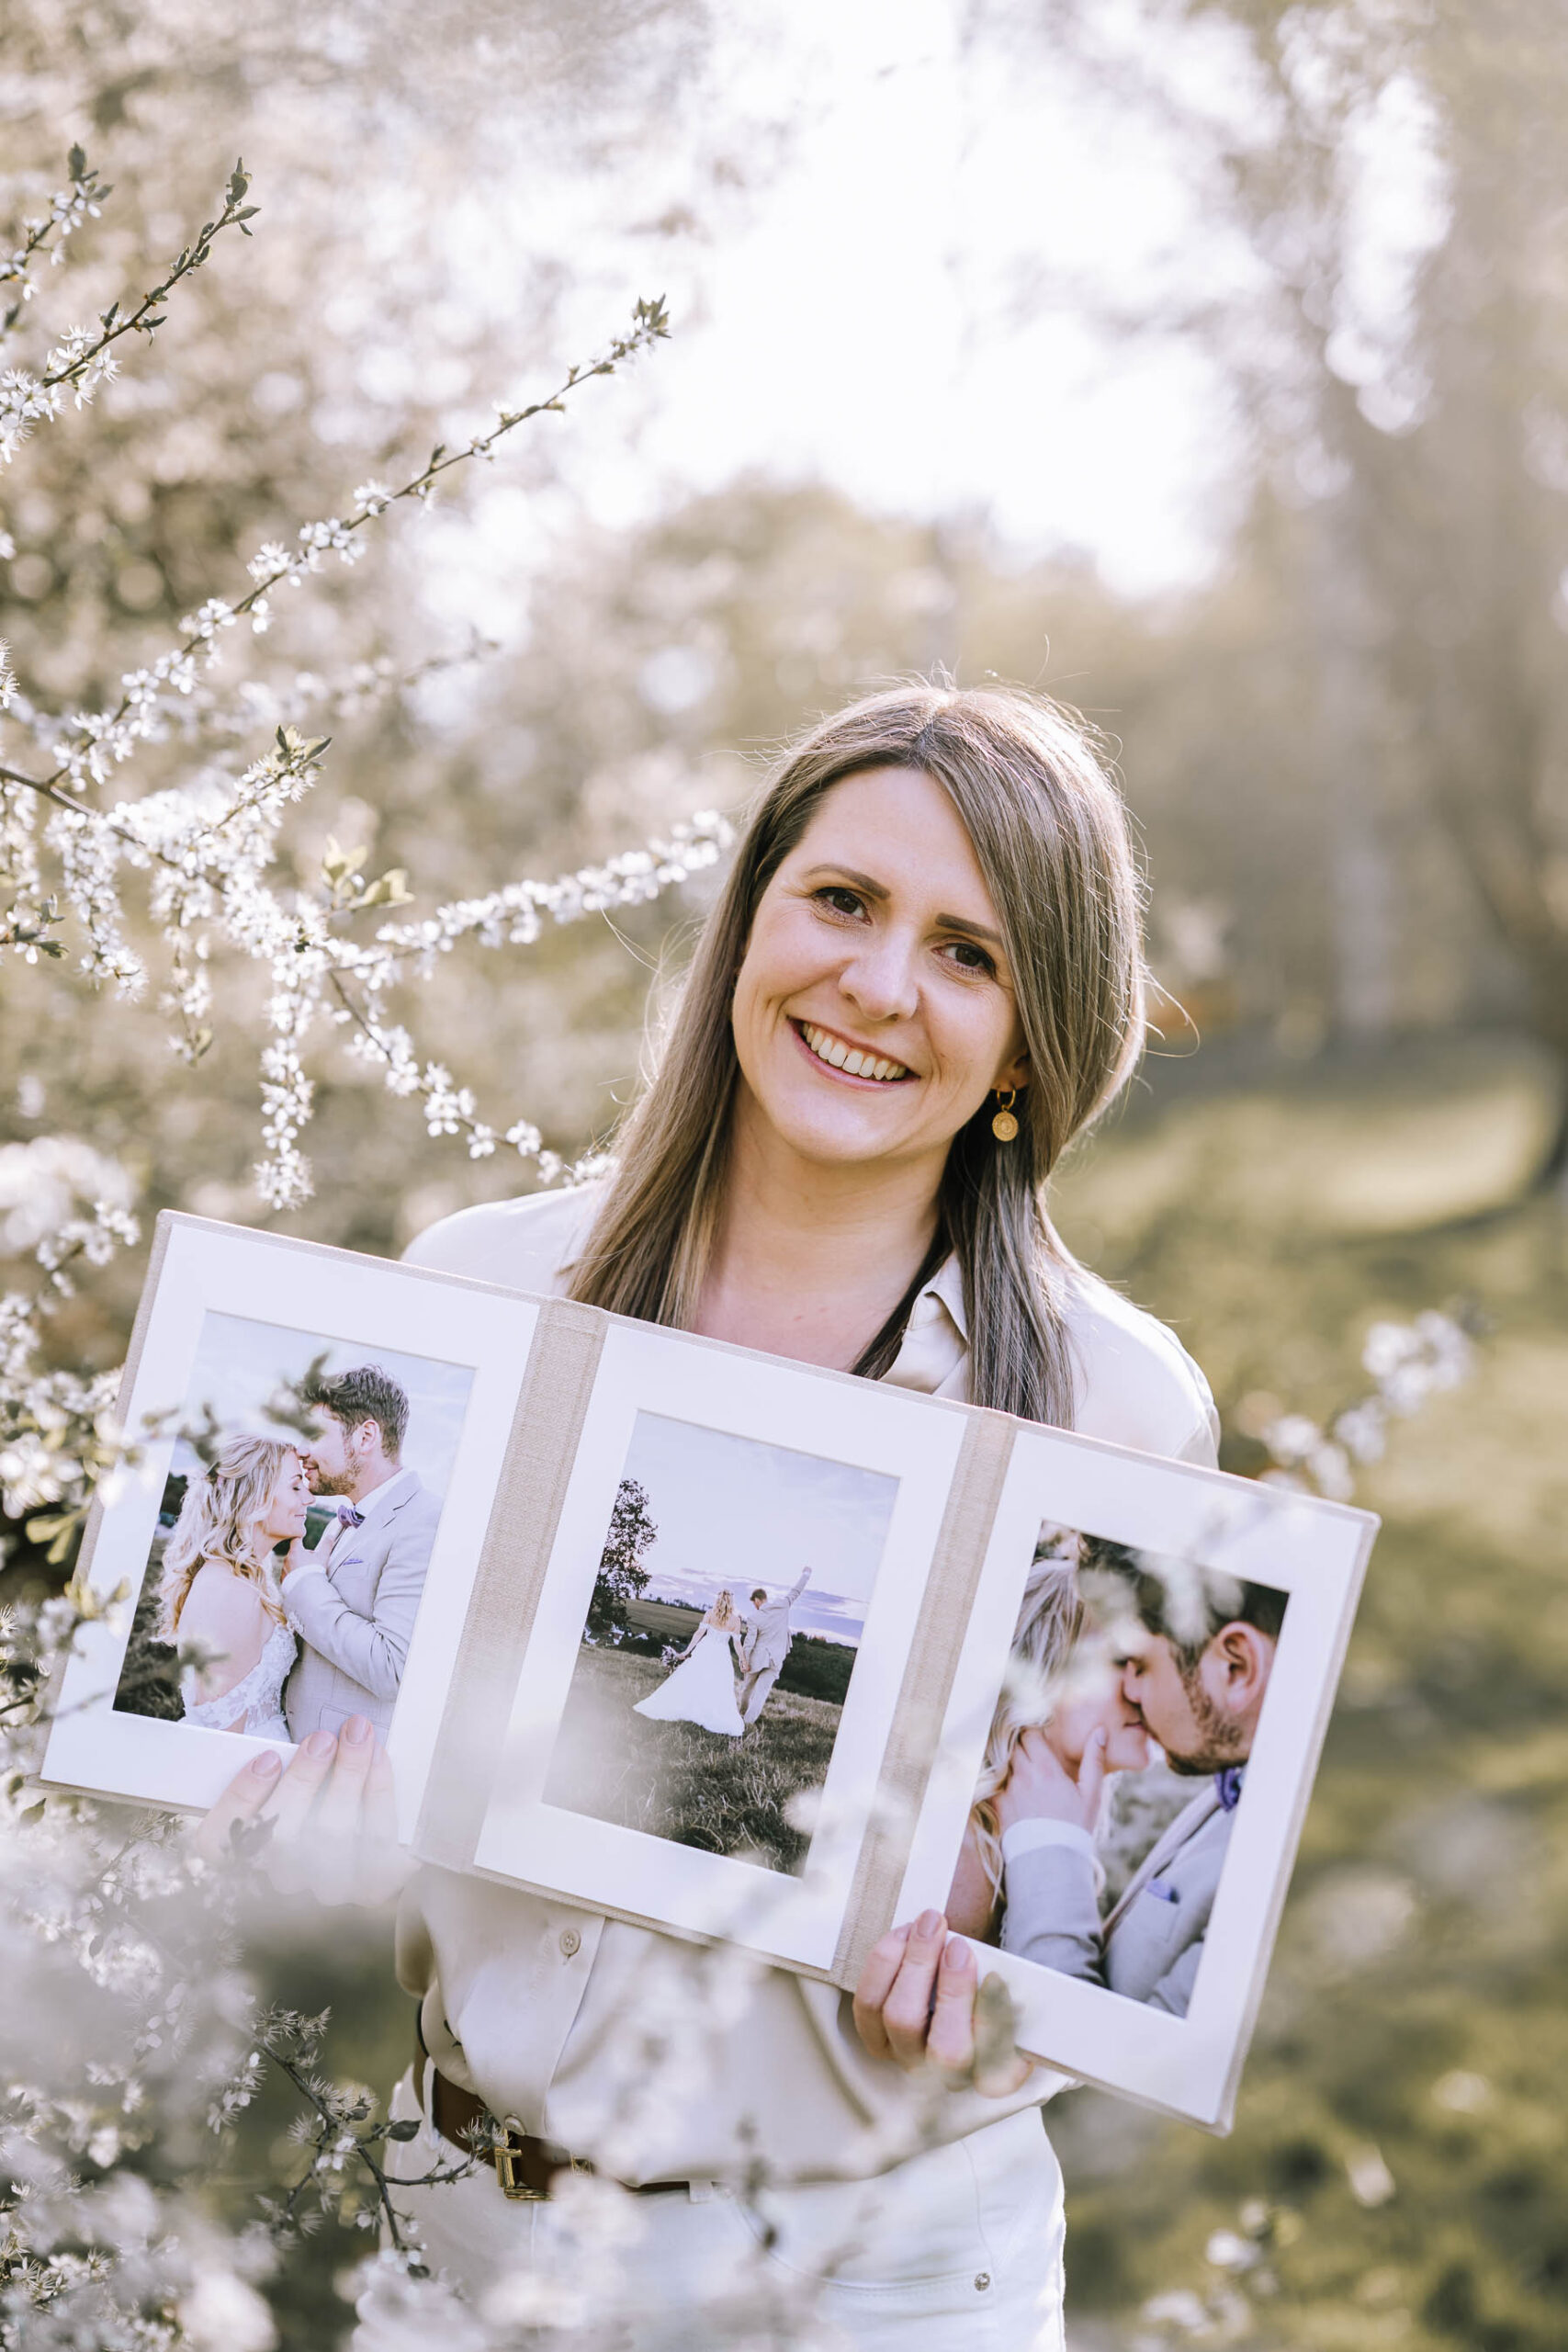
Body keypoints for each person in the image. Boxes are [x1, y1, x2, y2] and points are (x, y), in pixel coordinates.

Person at [203, 684, 1220, 2350]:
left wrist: (991, 2006)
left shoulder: (1113, 1402)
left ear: (1036, 1038)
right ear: (748, 914)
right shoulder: (476, 1290)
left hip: (871, 2287)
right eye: (843, 901)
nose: (879, 986)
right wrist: (300, 1828)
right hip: (458, 2245)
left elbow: (1089, 1899)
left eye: (968, 952)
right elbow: (349, 1754)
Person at [993, 1544, 1283, 2018]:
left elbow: (1100, 2053)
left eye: (1141, 1663)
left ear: (1236, 1668)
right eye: (1118, 1661)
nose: (1132, 1688)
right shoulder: (1229, 1793)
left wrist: (1049, 1849)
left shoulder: (1271, 1864)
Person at [942, 1537, 1153, 1946]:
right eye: (1124, 1660)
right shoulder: (963, 1864)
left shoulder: (1013, 1838)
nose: (1143, 1688)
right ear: (1045, 1671)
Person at [282, 1363, 444, 1743]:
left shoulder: (424, 1520)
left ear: (365, 1436)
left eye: (312, 1434)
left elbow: (392, 1668)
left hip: (346, 1765)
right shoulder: (348, 1518)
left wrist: (305, 1583)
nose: (302, 1450)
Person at [158, 1436, 306, 1740]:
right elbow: (225, 1740)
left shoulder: (245, 1579)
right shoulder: (231, 1592)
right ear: (257, 1497)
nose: (309, 1498)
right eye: (295, 1486)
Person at [632, 1589, 746, 1736]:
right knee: (717, 1685)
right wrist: (742, 1660)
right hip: (721, 1655)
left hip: (705, 1650)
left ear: (718, 1600)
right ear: (731, 1602)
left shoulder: (710, 1613)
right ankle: (706, 1710)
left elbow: (699, 1633)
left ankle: (694, 1707)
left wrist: (686, 1652)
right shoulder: (736, 1620)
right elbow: (737, 1644)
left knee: (694, 1679)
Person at [735, 1566, 810, 1727]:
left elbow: (749, 1643)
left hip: (756, 1660)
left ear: (757, 1600)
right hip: (776, 1659)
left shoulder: (754, 1618)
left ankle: (740, 1715)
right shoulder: (783, 1605)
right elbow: (797, 1590)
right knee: (761, 1694)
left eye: (754, 1603)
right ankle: (747, 1724)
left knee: (747, 1689)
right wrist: (806, 1574)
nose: (754, 1606)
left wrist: (744, 1661)